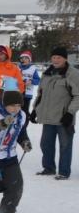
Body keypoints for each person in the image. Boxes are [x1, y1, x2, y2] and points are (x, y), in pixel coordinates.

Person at [32, 46, 79, 180]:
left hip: (64, 118)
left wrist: (70, 113)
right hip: (48, 117)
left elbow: (78, 95)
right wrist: (35, 110)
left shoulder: (73, 74)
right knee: (45, 144)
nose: (55, 60)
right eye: (53, 57)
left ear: (65, 59)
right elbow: (40, 94)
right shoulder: (47, 73)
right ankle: (48, 168)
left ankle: (63, 172)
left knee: (65, 145)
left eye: (59, 57)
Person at [17, 51, 40, 115]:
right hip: (17, 93)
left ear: (29, 60)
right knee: (16, 111)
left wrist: (31, 81)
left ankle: (26, 120)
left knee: (25, 112)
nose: (23, 59)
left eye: (26, 58)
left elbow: (38, 80)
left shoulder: (33, 69)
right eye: (22, 58)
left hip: (27, 94)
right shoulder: (17, 68)